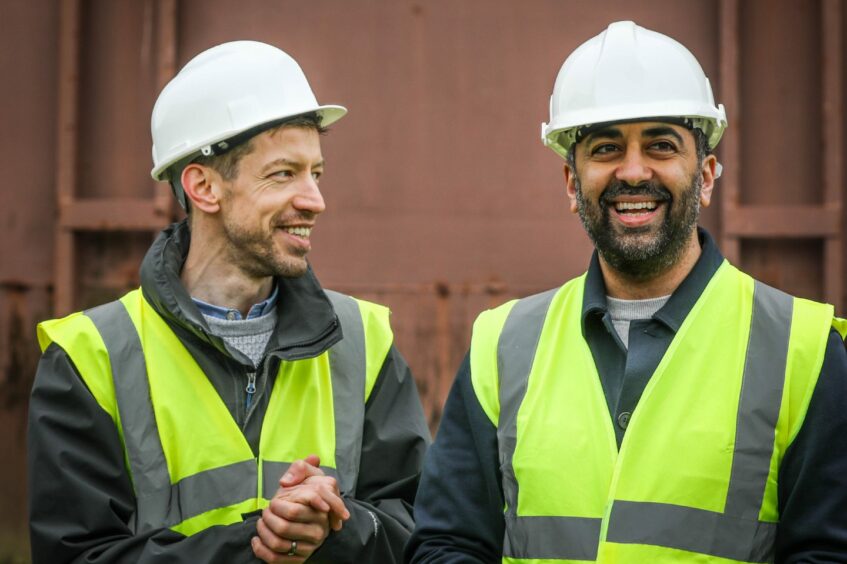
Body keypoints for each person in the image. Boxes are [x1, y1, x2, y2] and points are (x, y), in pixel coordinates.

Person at [407, 21, 847, 563]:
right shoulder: (502, 347)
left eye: (661, 145)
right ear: (573, 183)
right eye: (607, 147)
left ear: (706, 176)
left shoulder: (804, 351)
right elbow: (446, 544)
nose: (633, 172)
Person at [28, 40, 430, 564]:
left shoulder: (363, 342)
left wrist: (337, 529)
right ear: (204, 188)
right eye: (284, 174)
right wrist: (257, 544)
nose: (315, 200)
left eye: (317, 173)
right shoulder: (90, 357)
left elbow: (420, 532)